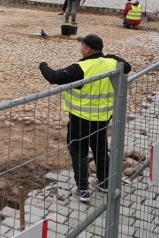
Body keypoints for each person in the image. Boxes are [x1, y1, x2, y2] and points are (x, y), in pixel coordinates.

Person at [39, 34, 131, 202]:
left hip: (80, 119)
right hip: (103, 118)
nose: (80, 49)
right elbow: (127, 67)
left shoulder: (81, 68)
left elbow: (54, 77)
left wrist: (42, 64)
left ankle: (83, 190)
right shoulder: (112, 64)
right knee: (100, 149)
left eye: (82, 46)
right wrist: (109, 57)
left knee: (79, 152)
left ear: (88, 49)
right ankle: (104, 182)